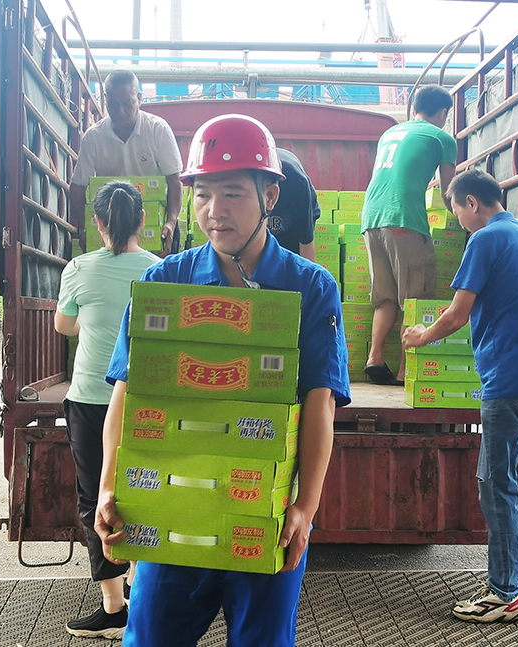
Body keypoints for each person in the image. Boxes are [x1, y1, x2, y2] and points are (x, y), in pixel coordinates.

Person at [94, 114, 351, 646]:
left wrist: (305, 508)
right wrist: (108, 486)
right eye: (203, 194)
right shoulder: (166, 280)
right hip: (172, 507)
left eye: (232, 193)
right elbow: (127, 389)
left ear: (270, 196)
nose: (215, 210)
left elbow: (320, 401)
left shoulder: (310, 287)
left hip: (263, 513)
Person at [402, 170, 518, 623]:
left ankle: (503, 594)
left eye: (456, 210)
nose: (458, 221)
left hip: (512, 382)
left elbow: (457, 314)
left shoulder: (485, 239)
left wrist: (421, 337)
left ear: (472, 202)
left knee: (498, 485)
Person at [54, 181, 160, 639]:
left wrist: (91, 317)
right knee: (146, 492)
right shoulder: (160, 269)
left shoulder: (78, 268)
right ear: (142, 220)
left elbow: (64, 324)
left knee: (94, 498)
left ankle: (114, 606)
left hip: (91, 399)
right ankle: (140, 588)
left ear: (96, 222)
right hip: (144, 400)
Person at [361, 84, 457, 385]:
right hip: (405, 220)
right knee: (415, 298)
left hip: (371, 218)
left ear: (414, 108)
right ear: (443, 113)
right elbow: (450, 192)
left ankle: (375, 357)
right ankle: (405, 372)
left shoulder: (389, 134)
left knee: (385, 298)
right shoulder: (441, 137)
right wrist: (463, 223)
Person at [69, 69, 183, 257]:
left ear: (139, 98)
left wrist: (170, 222)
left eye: (127, 103)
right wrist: (83, 227)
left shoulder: (157, 129)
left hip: (155, 224)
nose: (120, 111)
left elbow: (174, 181)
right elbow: (77, 187)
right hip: (111, 224)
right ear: (105, 100)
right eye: (113, 104)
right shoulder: (94, 137)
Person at [266, 148, 321, 261]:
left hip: (293, 219)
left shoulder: (297, 183)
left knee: (291, 261)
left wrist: (308, 272)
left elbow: (305, 243)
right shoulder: (242, 186)